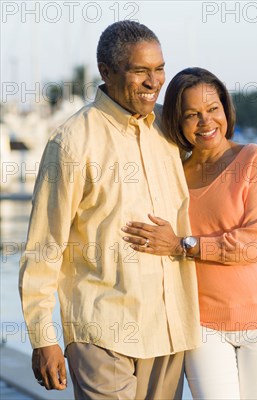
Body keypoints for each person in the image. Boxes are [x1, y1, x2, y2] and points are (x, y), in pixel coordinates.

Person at [19, 21, 201, 398]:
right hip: (101, 332)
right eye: (140, 71)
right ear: (107, 72)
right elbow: (44, 246)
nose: (154, 82)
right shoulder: (71, 143)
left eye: (159, 68)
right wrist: (43, 337)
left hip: (169, 332)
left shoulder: (169, 131)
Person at [121, 67, 257, 399]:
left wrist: (182, 245)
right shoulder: (173, 175)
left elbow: (255, 244)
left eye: (212, 109)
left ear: (225, 110)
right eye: (192, 114)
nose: (205, 122)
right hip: (202, 324)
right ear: (177, 120)